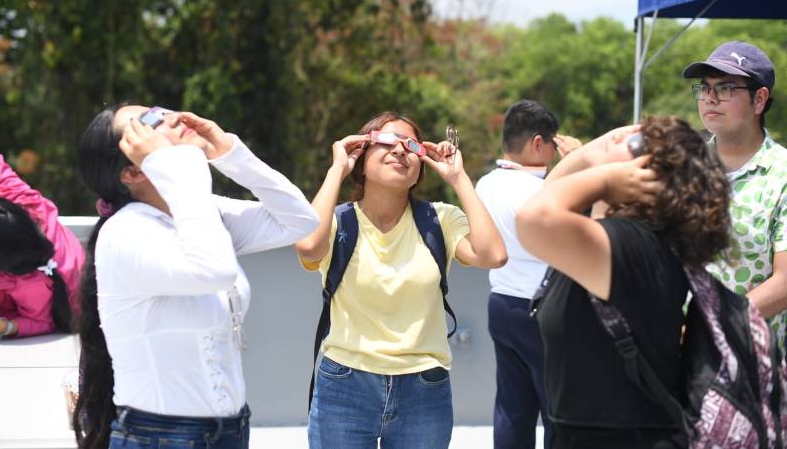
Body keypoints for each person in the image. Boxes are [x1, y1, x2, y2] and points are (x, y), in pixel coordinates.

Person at [72, 104, 319, 449]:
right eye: (149, 122)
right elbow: (213, 270)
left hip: (231, 430)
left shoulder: (201, 214)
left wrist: (230, 153)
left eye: (160, 108)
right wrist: (176, 167)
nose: (172, 116)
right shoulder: (125, 232)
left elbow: (300, 221)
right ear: (131, 172)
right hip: (159, 437)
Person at [294, 111, 507, 449]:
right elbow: (307, 245)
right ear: (361, 161)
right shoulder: (338, 223)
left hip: (424, 388)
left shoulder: (440, 220)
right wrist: (336, 170)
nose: (400, 150)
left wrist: (459, 178)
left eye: (410, 145)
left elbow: (494, 255)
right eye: (387, 142)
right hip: (345, 384)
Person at [516, 116, 730, 448]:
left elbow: (533, 217)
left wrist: (602, 176)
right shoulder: (610, 239)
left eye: (634, 143)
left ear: (647, 175)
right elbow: (549, 192)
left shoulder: (633, 246)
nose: (617, 139)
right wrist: (596, 157)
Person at [474, 99, 579, 449]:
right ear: (538, 143)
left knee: (511, 409)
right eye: (551, 142)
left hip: (502, 303)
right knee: (558, 411)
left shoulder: (485, 184)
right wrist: (579, 162)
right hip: (545, 310)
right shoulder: (541, 192)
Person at [682, 41, 787, 349]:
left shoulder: (781, 175)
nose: (710, 98)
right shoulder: (684, 166)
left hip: (752, 368)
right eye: (705, 87)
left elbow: (784, 283)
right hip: (677, 364)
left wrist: (711, 328)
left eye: (726, 88)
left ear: (759, 100)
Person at [0, 131, 85, 337]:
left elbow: (41, 321)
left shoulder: (30, 286)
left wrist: (2, 326)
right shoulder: (27, 203)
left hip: (55, 309)